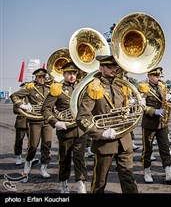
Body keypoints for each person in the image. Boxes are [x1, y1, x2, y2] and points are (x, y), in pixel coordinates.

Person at [75, 55, 138, 193]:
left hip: (124, 140)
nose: (113, 69)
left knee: (129, 178)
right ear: (101, 68)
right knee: (100, 182)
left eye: (115, 66)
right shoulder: (94, 87)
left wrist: (138, 106)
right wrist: (100, 133)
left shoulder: (121, 86)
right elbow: (82, 117)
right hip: (105, 142)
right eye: (109, 67)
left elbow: (125, 110)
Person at [41, 62, 88, 193]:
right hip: (65, 130)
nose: (72, 76)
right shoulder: (57, 88)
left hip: (81, 130)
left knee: (80, 158)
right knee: (64, 158)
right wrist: (55, 122)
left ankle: (80, 183)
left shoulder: (82, 88)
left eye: (74, 73)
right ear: (64, 74)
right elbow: (45, 109)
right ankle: (63, 182)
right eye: (69, 73)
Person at [138, 66, 171, 184]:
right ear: (149, 76)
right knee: (148, 149)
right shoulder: (144, 88)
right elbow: (141, 106)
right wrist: (154, 111)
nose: (158, 78)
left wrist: (168, 99)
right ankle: (147, 172)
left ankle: (168, 172)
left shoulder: (162, 86)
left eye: (159, 76)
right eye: (156, 76)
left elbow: (164, 102)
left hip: (162, 124)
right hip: (149, 123)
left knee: (165, 148)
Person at [10, 68, 53, 178]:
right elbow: (14, 95)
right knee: (33, 145)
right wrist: (22, 105)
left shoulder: (50, 88)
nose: (42, 79)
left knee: (47, 145)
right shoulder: (30, 88)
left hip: (47, 121)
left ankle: (44, 168)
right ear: (36, 78)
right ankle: (28, 163)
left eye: (43, 77)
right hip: (35, 121)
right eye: (40, 77)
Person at [12, 83, 30, 166]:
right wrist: (22, 107)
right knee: (19, 140)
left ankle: (29, 157)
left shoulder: (31, 97)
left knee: (32, 141)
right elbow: (15, 110)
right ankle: (18, 156)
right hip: (21, 122)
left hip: (31, 122)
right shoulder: (18, 98)